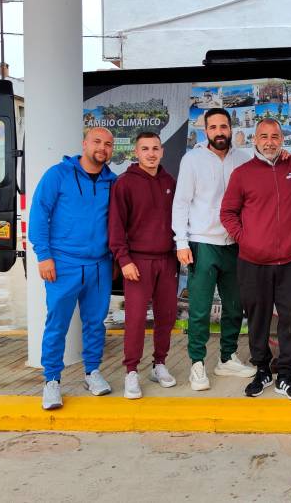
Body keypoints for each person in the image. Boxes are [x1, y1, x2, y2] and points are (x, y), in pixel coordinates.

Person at [220, 118, 291, 400]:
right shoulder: (242, 173)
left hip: (289, 262)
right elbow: (227, 213)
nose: (270, 141)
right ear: (254, 140)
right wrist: (246, 239)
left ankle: (285, 373)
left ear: (282, 139)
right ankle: (263, 370)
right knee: (258, 320)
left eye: (275, 136)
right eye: (264, 136)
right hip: (252, 261)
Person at [29, 126, 118, 410]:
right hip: (63, 264)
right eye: (97, 142)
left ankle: (92, 372)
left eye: (108, 144)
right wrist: (44, 256)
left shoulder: (112, 182)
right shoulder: (58, 175)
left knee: (95, 323)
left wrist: (115, 259)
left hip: (99, 264)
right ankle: (51, 380)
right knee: (57, 324)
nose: (102, 148)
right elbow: (39, 214)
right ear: (84, 143)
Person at [172, 108, 256, 391]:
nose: (219, 132)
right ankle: (197, 364)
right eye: (213, 127)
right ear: (205, 131)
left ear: (231, 128)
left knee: (234, 306)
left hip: (234, 244)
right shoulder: (192, 160)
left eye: (224, 126)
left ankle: (227, 358)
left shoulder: (244, 160)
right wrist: (181, 242)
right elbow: (181, 202)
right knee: (199, 309)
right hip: (202, 243)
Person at [108, 131, 178, 399]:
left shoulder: (170, 181)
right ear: (136, 153)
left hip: (166, 260)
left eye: (155, 148)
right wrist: (123, 259)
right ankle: (131, 372)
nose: (151, 153)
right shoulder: (124, 183)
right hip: (137, 261)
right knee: (136, 319)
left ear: (162, 151)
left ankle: (159, 364)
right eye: (145, 148)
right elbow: (115, 226)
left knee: (166, 316)